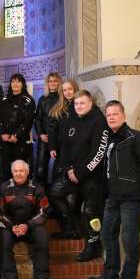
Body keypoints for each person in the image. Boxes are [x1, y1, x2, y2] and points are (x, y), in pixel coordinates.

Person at [88, 100, 140, 279]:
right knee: (107, 235)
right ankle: (110, 275)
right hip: (112, 197)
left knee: (129, 239)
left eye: (115, 114)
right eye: (108, 115)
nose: (111, 117)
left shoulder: (137, 138)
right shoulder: (109, 140)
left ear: (123, 115)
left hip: (131, 198)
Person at [55, 90, 109, 261]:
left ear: (90, 103)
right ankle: (72, 229)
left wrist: (79, 172)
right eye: (77, 103)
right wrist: (68, 169)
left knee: (90, 211)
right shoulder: (72, 118)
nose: (79, 106)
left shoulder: (99, 121)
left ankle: (93, 245)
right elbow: (64, 146)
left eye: (82, 103)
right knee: (55, 193)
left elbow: (98, 153)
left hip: (92, 176)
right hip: (72, 173)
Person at [0, 160, 50, 279]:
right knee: (2, 240)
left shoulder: (37, 188)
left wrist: (27, 225)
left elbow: (44, 211)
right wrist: (11, 226)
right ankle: (10, 277)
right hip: (11, 227)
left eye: (21, 171)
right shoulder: (3, 188)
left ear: (27, 172)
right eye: (15, 171)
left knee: (43, 236)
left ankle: (41, 277)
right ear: (12, 172)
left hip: (31, 226)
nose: (18, 174)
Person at [47, 78, 80, 238]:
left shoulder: (80, 106)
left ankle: (71, 228)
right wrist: (52, 147)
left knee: (70, 191)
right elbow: (52, 130)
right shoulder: (58, 108)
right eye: (65, 90)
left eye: (70, 89)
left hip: (76, 156)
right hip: (61, 154)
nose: (67, 92)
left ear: (75, 90)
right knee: (57, 189)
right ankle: (69, 226)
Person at [0, 73, 36, 181]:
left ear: (23, 84)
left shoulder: (29, 101)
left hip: (20, 141)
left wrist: (16, 135)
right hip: (5, 140)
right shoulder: (4, 100)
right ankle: (7, 192)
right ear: (10, 84)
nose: (15, 84)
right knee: (5, 168)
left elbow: (28, 122)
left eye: (18, 81)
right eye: (13, 81)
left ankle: (21, 193)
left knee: (19, 169)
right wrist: (1, 134)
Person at [33, 71, 62, 185]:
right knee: (40, 169)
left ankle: (56, 193)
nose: (53, 83)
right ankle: (41, 195)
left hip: (59, 138)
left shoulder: (63, 98)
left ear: (59, 82)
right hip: (44, 138)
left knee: (59, 168)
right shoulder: (42, 99)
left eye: (55, 81)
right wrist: (40, 134)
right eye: (50, 81)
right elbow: (38, 119)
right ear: (47, 83)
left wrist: (56, 136)